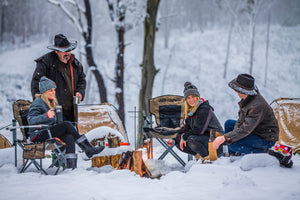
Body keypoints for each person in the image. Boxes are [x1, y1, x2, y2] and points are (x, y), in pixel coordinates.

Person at [27, 76, 104, 169]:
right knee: (67, 124)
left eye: (54, 90)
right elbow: (30, 120)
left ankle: (71, 168)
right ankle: (88, 149)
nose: (53, 92)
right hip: (38, 135)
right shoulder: (38, 102)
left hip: (47, 132)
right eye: (50, 90)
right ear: (44, 91)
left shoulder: (50, 102)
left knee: (70, 137)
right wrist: (46, 116)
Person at [213, 74, 279, 155]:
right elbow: (241, 122)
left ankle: (264, 152)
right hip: (254, 130)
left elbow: (245, 129)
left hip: (265, 138)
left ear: (243, 91)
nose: (235, 91)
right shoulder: (247, 99)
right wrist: (231, 136)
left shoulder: (257, 106)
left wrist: (224, 138)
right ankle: (233, 154)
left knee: (232, 143)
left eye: (237, 89)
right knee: (229, 124)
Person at [31, 34, 86, 122]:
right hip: (52, 110)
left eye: (69, 50)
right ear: (56, 51)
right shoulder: (45, 63)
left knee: (71, 133)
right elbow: (36, 84)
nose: (67, 53)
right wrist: (41, 106)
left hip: (71, 109)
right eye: (64, 51)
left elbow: (81, 80)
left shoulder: (75, 64)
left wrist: (80, 92)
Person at [170, 82, 224, 162]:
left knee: (191, 139)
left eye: (193, 96)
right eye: (188, 98)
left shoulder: (204, 109)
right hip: (204, 138)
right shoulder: (191, 111)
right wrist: (175, 139)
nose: (191, 100)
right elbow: (186, 128)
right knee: (179, 142)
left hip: (216, 140)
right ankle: (200, 156)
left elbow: (199, 130)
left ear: (197, 97)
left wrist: (184, 137)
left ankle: (208, 158)